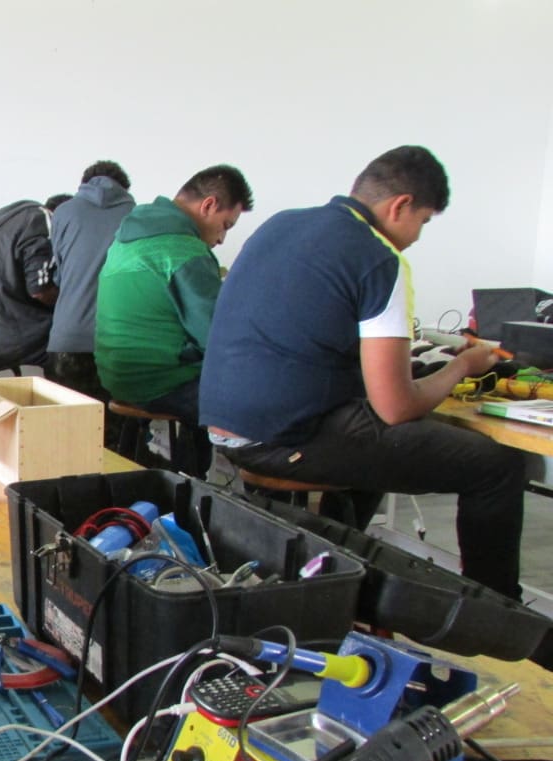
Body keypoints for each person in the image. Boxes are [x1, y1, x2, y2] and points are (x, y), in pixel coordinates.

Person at [200, 145, 527, 600]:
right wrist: (461, 366)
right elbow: (396, 407)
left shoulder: (282, 224)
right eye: (423, 221)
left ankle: (340, 571)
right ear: (400, 205)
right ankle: (499, 613)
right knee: (498, 467)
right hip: (279, 438)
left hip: (222, 427)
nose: (417, 236)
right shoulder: (379, 258)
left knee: (374, 436)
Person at [95, 165, 254, 477]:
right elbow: (217, 339)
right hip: (161, 381)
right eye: (225, 225)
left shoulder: (129, 235)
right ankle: (202, 489)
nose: (222, 239)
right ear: (208, 205)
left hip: (117, 375)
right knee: (265, 398)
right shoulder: (184, 250)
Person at [45, 160, 135, 402]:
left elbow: (59, 274)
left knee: (65, 420)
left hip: (68, 338)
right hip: (119, 342)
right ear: (124, 188)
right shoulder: (135, 216)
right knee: (116, 421)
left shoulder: (64, 212)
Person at [0, 194, 70, 378]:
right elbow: (40, 290)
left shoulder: (5, 227)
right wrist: (72, 304)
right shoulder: (42, 220)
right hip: (13, 341)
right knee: (78, 345)